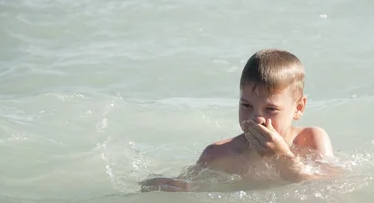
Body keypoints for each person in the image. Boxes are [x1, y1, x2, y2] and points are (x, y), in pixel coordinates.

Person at [141, 49, 339, 192]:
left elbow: (331, 187)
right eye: (246, 106)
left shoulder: (311, 139)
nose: (256, 118)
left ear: (298, 108)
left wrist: (282, 156)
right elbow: (189, 186)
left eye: (270, 109)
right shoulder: (218, 154)